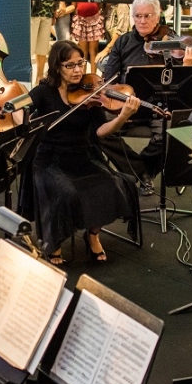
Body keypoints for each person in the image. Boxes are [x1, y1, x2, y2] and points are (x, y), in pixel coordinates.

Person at [21, 41, 139, 264]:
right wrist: (19, 115)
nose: (77, 70)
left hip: (82, 156)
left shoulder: (92, 92)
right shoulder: (44, 92)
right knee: (65, 192)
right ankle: (53, 241)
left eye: (80, 63)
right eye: (69, 65)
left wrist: (122, 117)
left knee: (112, 184)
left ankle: (92, 234)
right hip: (49, 160)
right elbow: (24, 108)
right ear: (57, 67)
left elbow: (100, 131)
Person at [100, 0, 192, 193]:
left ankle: (142, 171)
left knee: (172, 132)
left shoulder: (172, 42)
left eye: (147, 16)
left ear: (158, 15)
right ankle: (141, 171)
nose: (142, 21)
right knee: (99, 131)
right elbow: (109, 78)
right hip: (127, 105)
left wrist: (188, 65)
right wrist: (120, 97)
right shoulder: (123, 42)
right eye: (138, 16)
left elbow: (183, 85)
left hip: (160, 107)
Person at [71, 0, 104, 74]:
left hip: (94, 21)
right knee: (83, 52)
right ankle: (83, 76)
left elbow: (99, 4)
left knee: (93, 50)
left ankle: (93, 76)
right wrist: (63, 10)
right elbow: (74, 5)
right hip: (80, 22)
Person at [95, 0, 131, 72]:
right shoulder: (102, 8)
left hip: (123, 49)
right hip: (111, 47)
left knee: (102, 63)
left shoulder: (121, 5)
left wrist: (106, 50)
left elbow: (121, 32)